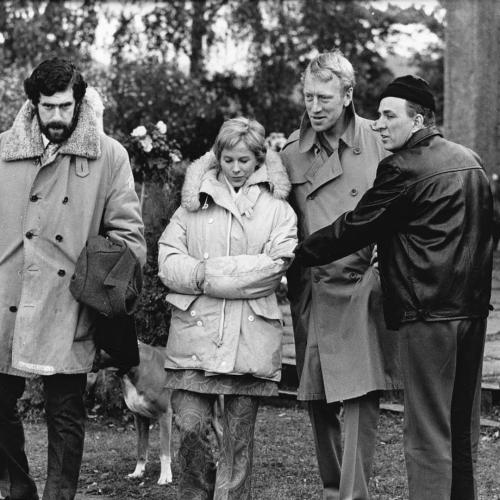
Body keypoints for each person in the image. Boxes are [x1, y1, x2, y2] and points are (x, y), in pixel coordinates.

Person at [294, 75, 493, 500]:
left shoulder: (402, 167)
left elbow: (357, 225)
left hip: (427, 316)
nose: (379, 124)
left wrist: (301, 252)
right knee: (461, 428)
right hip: (473, 314)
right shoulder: (471, 160)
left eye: (388, 115)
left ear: (417, 119)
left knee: (425, 432)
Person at [0, 58, 146, 500]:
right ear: (33, 104)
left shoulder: (110, 155)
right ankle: (18, 489)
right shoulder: (4, 150)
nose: (58, 116)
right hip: (7, 296)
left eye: (66, 105)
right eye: (49, 107)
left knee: (65, 412)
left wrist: (97, 278)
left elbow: (130, 238)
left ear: (79, 101)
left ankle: (59, 496)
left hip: (69, 301)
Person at [280, 50, 401, 499]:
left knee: (359, 396)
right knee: (318, 397)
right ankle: (332, 490)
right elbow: (277, 215)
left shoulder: (379, 139)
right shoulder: (291, 154)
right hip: (314, 284)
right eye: (309, 95)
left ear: (348, 95)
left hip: (362, 282)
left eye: (325, 96)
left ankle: (353, 495)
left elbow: (402, 207)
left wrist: (382, 266)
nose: (315, 106)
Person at [158, 117, 297, 499]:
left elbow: (273, 269)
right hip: (194, 338)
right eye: (228, 160)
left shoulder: (278, 210)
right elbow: (168, 262)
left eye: (245, 161)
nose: (236, 169)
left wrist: (202, 274)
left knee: (237, 446)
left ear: (258, 161)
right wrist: (224, 273)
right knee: (189, 427)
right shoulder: (193, 204)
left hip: (248, 339)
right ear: (217, 157)